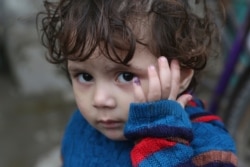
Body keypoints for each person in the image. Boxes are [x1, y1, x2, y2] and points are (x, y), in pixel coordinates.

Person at [37, 0, 237, 166]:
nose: (99, 100)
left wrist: (159, 139)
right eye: (85, 76)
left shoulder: (209, 145)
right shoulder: (81, 126)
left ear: (181, 75)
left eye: (125, 76)